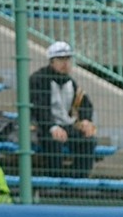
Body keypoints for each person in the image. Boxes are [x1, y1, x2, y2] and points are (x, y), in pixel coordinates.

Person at [29, 41, 97, 178]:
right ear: (52, 61)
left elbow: (85, 103)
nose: (65, 63)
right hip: (43, 127)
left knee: (88, 141)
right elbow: (38, 108)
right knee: (54, 142)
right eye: (60, 59)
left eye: (68, 59)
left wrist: (86, 120)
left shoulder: (70, 82)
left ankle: (79, 180)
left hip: (66, 126)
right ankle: (54, 180)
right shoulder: (38, 79)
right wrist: (52, 126)